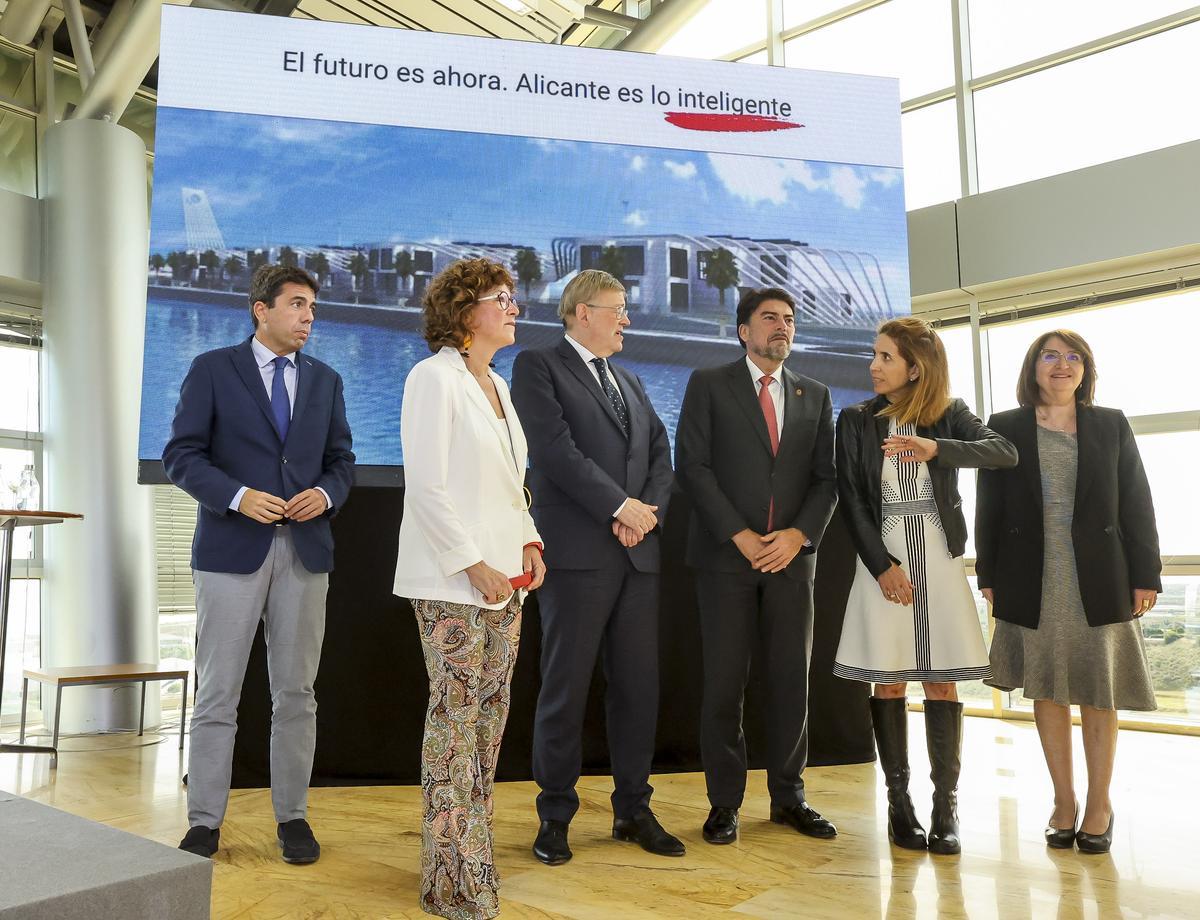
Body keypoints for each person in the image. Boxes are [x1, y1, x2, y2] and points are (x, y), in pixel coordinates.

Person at [164, 263, 355, 863]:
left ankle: (293, 818)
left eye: (313, 308)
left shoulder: (326, 379)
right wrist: (239, 496)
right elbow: (181, 455)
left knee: (296, 694)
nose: (307, 317)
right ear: (260, 309)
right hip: (229, 551)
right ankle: (204, 823)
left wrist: (324, 495)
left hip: (305, 551)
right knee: (218, 694)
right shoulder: (212, 370)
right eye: (297, 304)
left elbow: (342, 461)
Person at [510, 269, 681, 866]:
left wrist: (646, 514)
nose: (627, 319)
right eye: (618, 309)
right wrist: (619, 505)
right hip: (577, 558)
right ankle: (554, 815)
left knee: (637, 689)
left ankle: (633, 809)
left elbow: (662, 451)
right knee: (565, 687)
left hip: (638, 557)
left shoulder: (630, 379)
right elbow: (554, 451)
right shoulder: (537, 366)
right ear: (582, 312)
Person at [393, 258, 546, 920]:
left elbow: (510, 485)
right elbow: (426, 484)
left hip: (507, 582)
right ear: (464, 312)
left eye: (513, 298)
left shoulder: (499, 386)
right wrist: (471, 561)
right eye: (501, 298)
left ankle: (469, 865)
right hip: (454, 583)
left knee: (488, 727)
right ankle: (452, 881)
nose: (514, 307)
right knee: (454, 727)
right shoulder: (433, 379)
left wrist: (529, 541)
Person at [833, 317, 1017, 855]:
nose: (873, 366)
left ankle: (945, 808)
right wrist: (881, 565)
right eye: (874, 355)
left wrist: (941, 450)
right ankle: (900, 806)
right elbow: (853, 499)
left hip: (938, 559)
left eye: (885, 357)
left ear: (916, 366)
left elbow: (1004, 452)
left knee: (941, 683)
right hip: (883, 561)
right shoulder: (855, 420)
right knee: (888, 683)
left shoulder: (948, 415)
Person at [977, 330, 1160, 855]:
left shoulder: (1110, 424)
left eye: (1073, 356)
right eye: (1050, 356)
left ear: (1085, 370)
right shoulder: (1005, 427)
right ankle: (1064, 800)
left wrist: (1145, 573)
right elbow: (989, 503)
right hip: (1030, 574)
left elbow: (1137, 500)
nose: (1062, 364)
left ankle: (1099, 803)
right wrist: (988, 573)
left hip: (1103, 574)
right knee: (1047, 688)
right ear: (1033, 368)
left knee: (1099, 691)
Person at [675, 287, 839, 846]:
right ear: (743, 330)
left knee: (792, 682)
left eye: (789, 320)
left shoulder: (815, 394)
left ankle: (789, 798)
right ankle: (725, 803)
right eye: (770, 318)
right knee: (725, 684)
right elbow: (692, 467)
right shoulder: (708, 384)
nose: (782, 328)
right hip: (726, 561)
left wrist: (798, 536)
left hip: (792, 563)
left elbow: (826, 479)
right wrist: (740, 536)